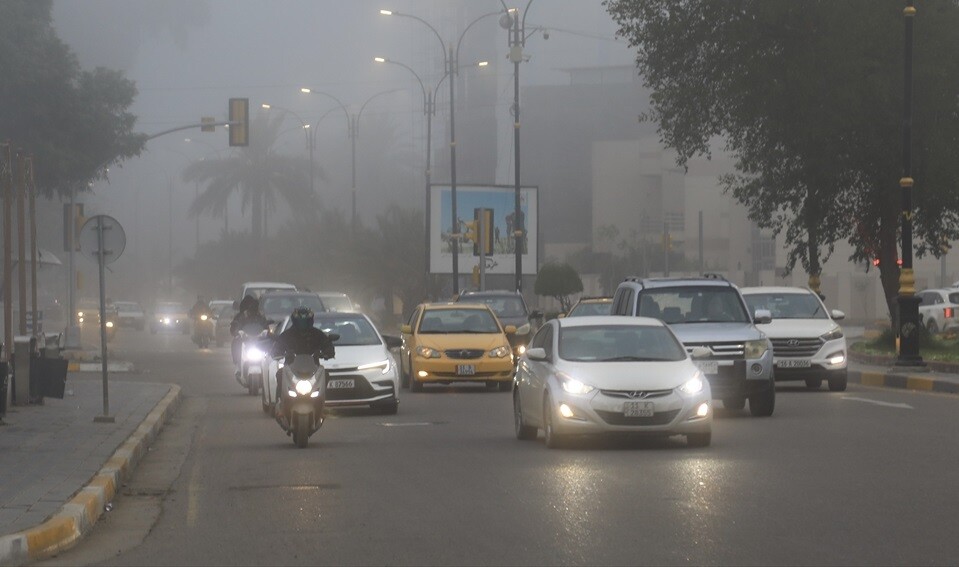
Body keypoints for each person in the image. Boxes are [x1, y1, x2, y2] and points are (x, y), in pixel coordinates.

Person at [270, 307, 335, 408]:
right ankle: (280, 404)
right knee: (280, 374)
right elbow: (277, 347)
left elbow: (327, 344)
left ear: (311, 321)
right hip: (291, 369)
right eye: (300, 322)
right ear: (295, 321)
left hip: (313, 370)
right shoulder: (286, 335)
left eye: (306, 321)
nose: (303, 324)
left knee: (325, 374)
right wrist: (279, 353)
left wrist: (327, 352)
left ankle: (322, 404)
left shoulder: (317, 334)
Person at [230, 295, 269, 373]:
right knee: (235, 342)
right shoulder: (241, 317)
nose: (253, 311)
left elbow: (266, 326)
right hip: (246, 341)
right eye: (251, 308)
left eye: (255, 308)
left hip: (259, 341)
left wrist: (267, 332)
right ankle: (238, 363)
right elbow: (235, 327)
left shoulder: (261, 317)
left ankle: (268, 366)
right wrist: (237, 332)